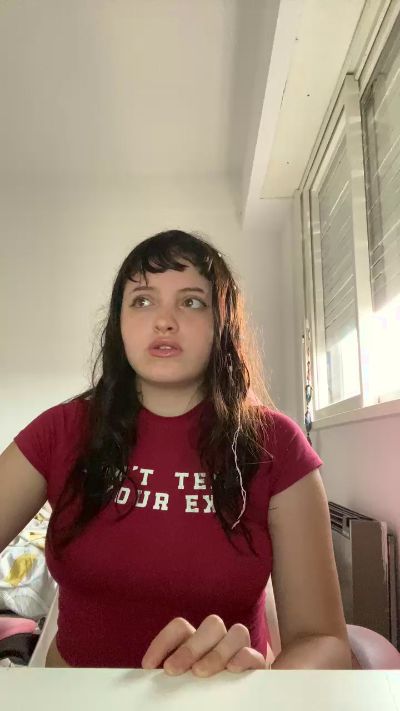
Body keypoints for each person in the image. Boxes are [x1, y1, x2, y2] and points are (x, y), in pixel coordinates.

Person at [0, 230, 352, 674]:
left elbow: (324, 642)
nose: (164, 320)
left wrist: (265, 690)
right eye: (143, 300)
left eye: (191, 302)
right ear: (119, 324)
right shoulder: (61, 430)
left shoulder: (277, 445)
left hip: (223, 700)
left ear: (222, 325)